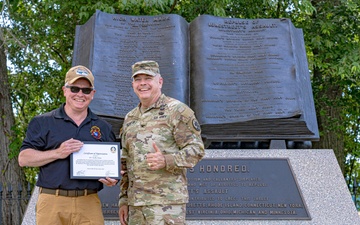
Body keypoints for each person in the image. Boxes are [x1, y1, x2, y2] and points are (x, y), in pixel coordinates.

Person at [18, 65, 118, 225]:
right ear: (65, 90)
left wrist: (113, 178)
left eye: (86, 90)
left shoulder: (103, 127)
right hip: (52, 201)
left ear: (93, 94)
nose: (80, 94)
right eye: (74, 89)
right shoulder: (43, 122)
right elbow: (24, 159)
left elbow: (113, 164)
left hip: (89, 201)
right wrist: (58, 152)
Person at [118, 60, 205, 225]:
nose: (143, 83)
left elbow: (197, 150)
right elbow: (126, 161)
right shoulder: (130, 118)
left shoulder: (177, 111)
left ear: (160, 81)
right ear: (133, 84)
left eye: (148, 78)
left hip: (166, 205)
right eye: (138, 79)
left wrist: (166, 160)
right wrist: (123, 199)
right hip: (136, 206)